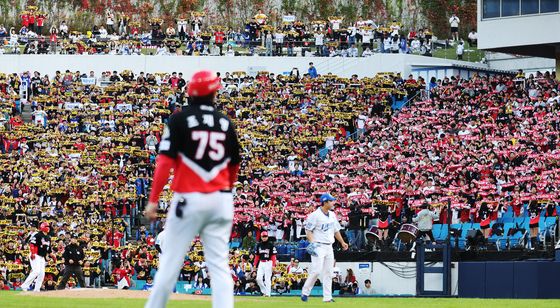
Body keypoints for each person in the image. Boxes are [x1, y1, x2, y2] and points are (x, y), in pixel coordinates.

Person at [145, 70, 241, 308]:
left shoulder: (178, 119)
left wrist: (154, 199)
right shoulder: (225, 122)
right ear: (213, 93)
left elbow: (165, 162)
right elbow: (235, 164)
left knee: (169, 265)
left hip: (189, 197)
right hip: (221, 199)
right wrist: (225, 191)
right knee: (220, 267)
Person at [301, 193, 349, 303]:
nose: (333, 203)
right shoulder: (315, 215)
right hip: (318, 245)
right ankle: (305, 292)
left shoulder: (332, 215)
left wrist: (342, 242)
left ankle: (327, 297)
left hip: (329, 246)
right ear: (325, 202)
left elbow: (336, 230)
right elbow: (308, 231)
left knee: (329, 272)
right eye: (331, 201)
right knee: (317, 271)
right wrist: (313, 243)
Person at [21, 222, 51, 292]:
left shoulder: (48, 237)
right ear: (43, 227)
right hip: (35, 254)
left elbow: (48, 250)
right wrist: (33, 253)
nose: (48, 227)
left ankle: (37, 289)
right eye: (47, 226)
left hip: (42, 257)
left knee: (42, 274)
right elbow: (32, 244)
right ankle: (24, 285)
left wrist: (52, 256)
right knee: (36, 271)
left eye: (48, 226)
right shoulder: (38, 235)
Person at [253, 231, 277, 297]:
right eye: (263, 236)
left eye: (265, 236)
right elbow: (257, 256)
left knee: (267, 279)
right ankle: (264, 291)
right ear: (261, 237)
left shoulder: (271, 245)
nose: (264, 238)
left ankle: (268, 294)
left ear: (267, 237)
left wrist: (273, 265)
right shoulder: (259, 245)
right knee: (258, 279)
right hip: (261, 263)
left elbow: (273, 256)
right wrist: (255, 265)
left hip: (268, 262)